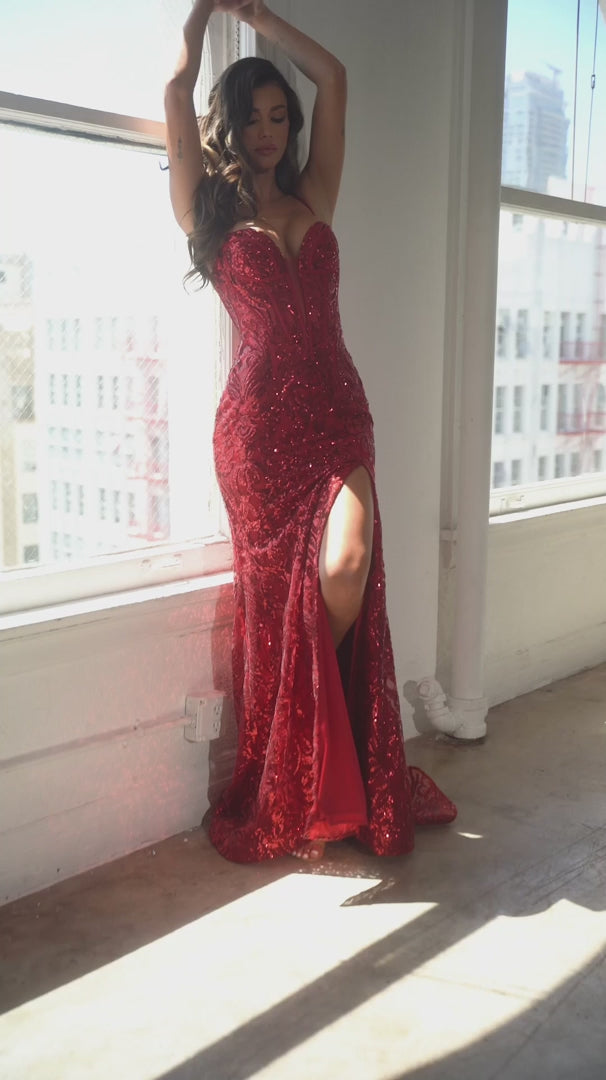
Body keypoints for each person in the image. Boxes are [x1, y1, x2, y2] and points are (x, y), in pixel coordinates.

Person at [164, 0, 456, 863]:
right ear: (230, 125)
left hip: (338, 411)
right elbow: (176, 90)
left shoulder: (314, 193)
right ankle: (303, 768)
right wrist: (202, 12)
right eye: (252, 117)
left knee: (348, 565)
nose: (268, 131)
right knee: (284, 599)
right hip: (258, 432)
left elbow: (335, 77)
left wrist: (261, 16)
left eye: (278, 116)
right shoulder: (206, 212)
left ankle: (306, 753)